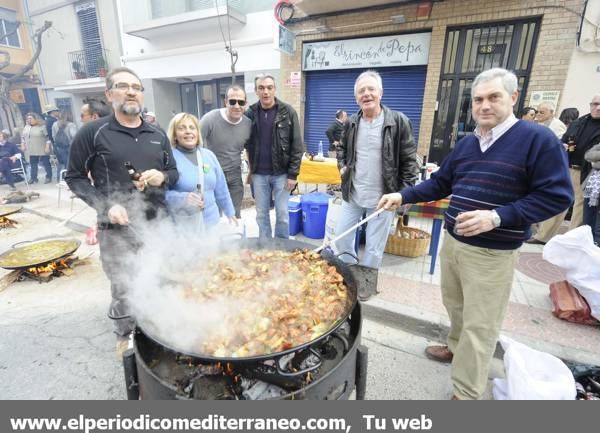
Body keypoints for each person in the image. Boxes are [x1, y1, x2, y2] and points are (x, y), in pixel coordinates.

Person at [378, 68, 573, 400]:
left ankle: (466, 392)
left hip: (492, 252)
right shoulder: (469, 143)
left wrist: (498, 216)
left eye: (494, 97)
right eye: (478, 99)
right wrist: (403, 195)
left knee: (480, 323)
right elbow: (442, 183)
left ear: (513, 98)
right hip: (454, 243)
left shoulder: (538, 140)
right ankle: (455, 348)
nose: (484, 105)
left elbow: (557, 196)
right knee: (455, 305)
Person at [65, 67, 178, 353]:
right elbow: (74, 177)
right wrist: (106, 205)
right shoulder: (93, 132)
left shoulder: (157, 133)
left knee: (161, 276)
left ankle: (160, 328)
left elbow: (173, 172)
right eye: (123, 86)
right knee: (123, 284)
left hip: (157, 223)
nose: (131, 91)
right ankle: (126, 335)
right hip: (116, 229)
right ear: (109, 93)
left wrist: (162, 176)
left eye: (136, 87)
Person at [335, 70, 419, 269]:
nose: (366, 94)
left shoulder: (398, 122)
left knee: (373, 247)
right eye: (361, 91)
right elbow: (341, 148)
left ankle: (367, 278)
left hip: (383, 198)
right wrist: (342, 165)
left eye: (371, 89)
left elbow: (409, 162)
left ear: (380, 93)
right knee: (341, 238)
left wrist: (403, 194)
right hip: (353, 193)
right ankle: (351, 271)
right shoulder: (351, 123)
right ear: (356, 98)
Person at [528, 94, 600, 244]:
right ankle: (543, 236)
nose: (597, 108)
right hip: (567, 166)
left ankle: (571, 242)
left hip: (589, 172)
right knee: (557, 198)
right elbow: (564, 139)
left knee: (580, 206)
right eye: (595, 104)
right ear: (590, 104)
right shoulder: (580, 122)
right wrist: (564, 145)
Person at [245, 74, 303, 239]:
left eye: (269, 88)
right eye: (261, 88)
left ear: (275, 89)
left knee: (283, 214)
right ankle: (265, 248)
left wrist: (293, 175)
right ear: (256, 91)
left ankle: (281, 249)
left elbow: (297, 145)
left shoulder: (288, 112)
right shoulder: (250, 113)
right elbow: (243, 140)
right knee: (261, 214)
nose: (266, 92)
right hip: (259, 175)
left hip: (282, 174)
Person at [166, 112, 236, 230]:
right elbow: (162, 194)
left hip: (212, 224)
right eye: (182, 128)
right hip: (184, 228)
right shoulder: (169, 159)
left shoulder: (209, 156)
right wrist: (183, 198)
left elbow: (221, 187)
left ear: (197, 133)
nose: (188, 131)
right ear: (174, 135)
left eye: (192, 128)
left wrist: (230, 212)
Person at [200, 85, 251, 219]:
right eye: (232, 101)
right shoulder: (210, 119)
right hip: (213, 174)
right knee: (213, 218)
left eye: (240, 102)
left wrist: (251, 170)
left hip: (234, 175)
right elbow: (195, 143)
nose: (236, 106)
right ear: (226, 102)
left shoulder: (248, 124)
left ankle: (235, 239)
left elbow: (250, 149)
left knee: (234, 217)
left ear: (245, 104)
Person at [22, 113, 53, 184]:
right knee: (33, 164)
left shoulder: (42, 126)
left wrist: (47, 147)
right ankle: (33, 178)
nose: (29, 120)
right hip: (32, 149)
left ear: (36, 119)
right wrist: (23, 144)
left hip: (42, 148)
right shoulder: (26, 127)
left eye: (30, 118)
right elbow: (23, 137)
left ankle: (48, 177)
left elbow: (48, 138)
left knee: (46, 163)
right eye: (27, 119)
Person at [583, 142, 600, 246]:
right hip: (591, 187)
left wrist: (595, 163)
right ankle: (586, 247)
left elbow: (592, 159)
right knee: (587, 222)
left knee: (598, 227)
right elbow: (588, 155)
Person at [51, 112, 77, 176]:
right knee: (71, 162)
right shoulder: (71, 124)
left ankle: (62, 177)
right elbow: (74, 135)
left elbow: (53, 136)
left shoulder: (54, 124)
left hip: (59, 147)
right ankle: (71, 176)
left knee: (62, 162)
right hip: (70, 146)